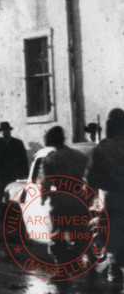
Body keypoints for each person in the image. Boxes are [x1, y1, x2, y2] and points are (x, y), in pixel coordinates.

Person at [38, 126, 89, 267]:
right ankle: (80, 263)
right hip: (78, 199)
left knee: (58, 236)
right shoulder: (80, 156)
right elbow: (87, 177)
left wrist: (43, 197)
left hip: (60, 201)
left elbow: (46, 181)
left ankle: (61, 267)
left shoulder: (50, 159)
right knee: (79, 234)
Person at [86, 108, 124, 284]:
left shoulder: (102, 148)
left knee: (111, 240)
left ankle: (114, 272)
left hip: (111, 201)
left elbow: (91, 178)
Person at [0, 121, 28, 198]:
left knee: (16, 198)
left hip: (15, 177)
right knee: (1, 198)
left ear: (9, 131)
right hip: (1, 179)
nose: (5, 132)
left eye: (6, 130)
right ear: (0, 132)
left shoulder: (18, 143)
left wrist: (23, 175)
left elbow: (24, 160)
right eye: (2, 130)